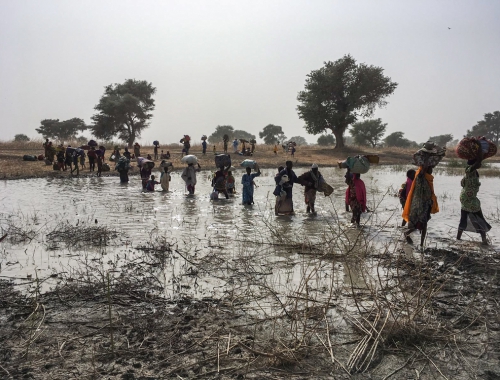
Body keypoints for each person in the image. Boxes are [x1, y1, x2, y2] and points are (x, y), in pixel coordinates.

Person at [456, 158, 491, 245]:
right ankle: (484, 240)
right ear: (474, 164)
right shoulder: (470, 170)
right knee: (479, 218)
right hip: (469, 199)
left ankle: (458, 239)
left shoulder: (472, 172)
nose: (481, 164)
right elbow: (475, 165)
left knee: (464, 217)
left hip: (466, 198)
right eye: (479, 163)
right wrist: (480, 156)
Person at [402, 166, 438, 247]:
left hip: (424, 205)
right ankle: (420, 243)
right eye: (430, 169)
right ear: (426, 170)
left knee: (421, 224)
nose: (431, 170)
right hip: (420, 206)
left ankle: (420, 243)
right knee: (421, 224)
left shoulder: (428, 179)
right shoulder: (420, 178)